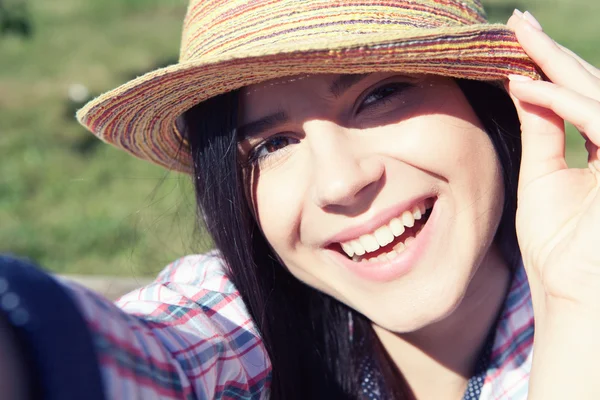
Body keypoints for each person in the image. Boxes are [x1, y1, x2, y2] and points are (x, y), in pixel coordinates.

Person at [2, 0, 600, 399]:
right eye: (271, 145)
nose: (340, 183)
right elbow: (130, 357)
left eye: (381, 94)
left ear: (492, 100)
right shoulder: (238, 325)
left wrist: (578, 313)